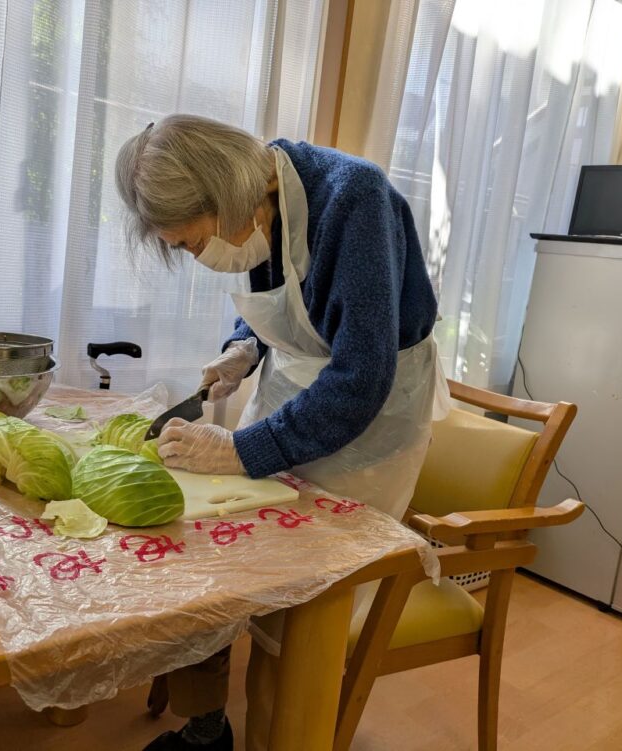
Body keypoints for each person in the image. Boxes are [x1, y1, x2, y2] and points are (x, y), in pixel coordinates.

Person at [114, 114, 447, 751]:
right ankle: (206, 728)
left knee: (304, 595)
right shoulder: (260, 201)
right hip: (299, 380)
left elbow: (361, 373)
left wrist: (244, 449)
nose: (197, 257)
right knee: (213, 555)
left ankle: (289, 731)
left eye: (189, 244)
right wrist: (242, 348)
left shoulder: (355, 198)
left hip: (372, 410)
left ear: (227, 197)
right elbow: (284, 299)